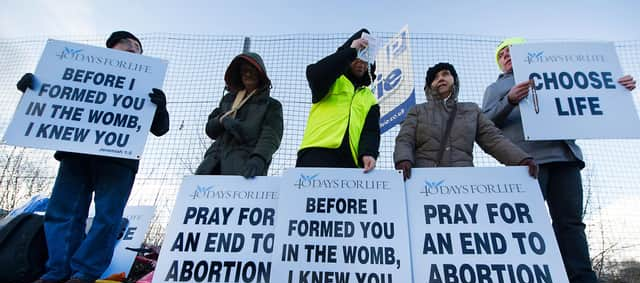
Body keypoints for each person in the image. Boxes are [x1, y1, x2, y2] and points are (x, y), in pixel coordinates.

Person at [482, 37, 640, 283]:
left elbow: (590, 91)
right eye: (502, 54)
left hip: (564, 157)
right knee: (524, 225)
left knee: (570, 223)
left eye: (511, 51)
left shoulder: (554, 75)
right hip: (527, 160)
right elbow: (485, 122)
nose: (506, 56)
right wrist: (509, 99)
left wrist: (617, 90)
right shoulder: (496, 87)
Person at [13, 31, 169, 283]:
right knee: (62, 212)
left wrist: (160, 107)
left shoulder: (146, 85)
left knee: (107, 217)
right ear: (110, 50)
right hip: (76, 155)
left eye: (137, 47)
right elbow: (55, 100)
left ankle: (84, 273)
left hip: (119, 159)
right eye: (127, 45)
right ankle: (56, 273)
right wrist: (33, 89)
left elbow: (160, 129)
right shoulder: (77, 73)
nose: (133, 48)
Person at [394, 62, 538, 179]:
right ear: (429, 86)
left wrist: (521, 160)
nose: (441, 79)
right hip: (425, 180)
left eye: (445, 74)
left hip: (464, 181)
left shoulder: (471, 110)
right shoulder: (417, 111)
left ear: (454, 80)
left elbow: (493, 139)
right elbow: (405, 139)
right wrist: (403, 160)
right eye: (435, 77)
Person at [296, 28, 380, 172]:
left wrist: (369, 153)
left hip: (351, 161)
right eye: (357, 58)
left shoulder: (370, 98)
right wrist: (351, 51)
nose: (361, 63)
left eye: (365, 60)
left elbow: (371, 130)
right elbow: (315, 74)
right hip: (316, 154)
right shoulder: (332, 80)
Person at [195, 52, 283, 177]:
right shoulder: (228, 100)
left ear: (260, 74)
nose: (247, 74)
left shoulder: (271, 105)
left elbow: (271, 135)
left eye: (252, 70)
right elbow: (210, 130)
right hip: (212, 163)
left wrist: (259, 158)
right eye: (244, 71)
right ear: (239, 75)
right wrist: (220, 120)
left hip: (244, 165)